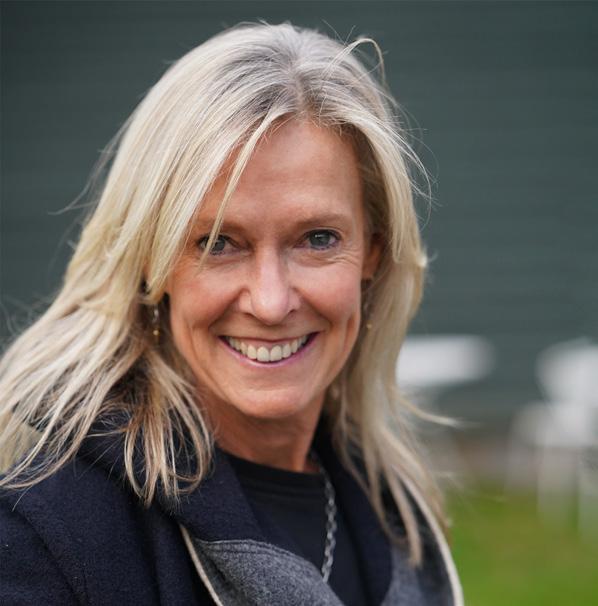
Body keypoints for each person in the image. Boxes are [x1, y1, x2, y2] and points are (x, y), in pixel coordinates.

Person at [0, 22, 463, 606]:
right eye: (218, 242)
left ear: (373, 251)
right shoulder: (44, 537)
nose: (270, 302)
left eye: (318, 238)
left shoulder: (395, 511)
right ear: (151, 261)